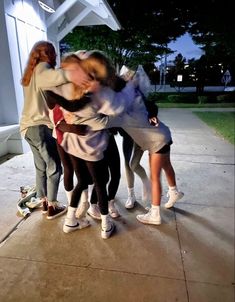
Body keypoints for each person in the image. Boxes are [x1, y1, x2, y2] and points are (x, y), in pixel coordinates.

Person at [47, 51, 184, 226]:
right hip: (155, 137)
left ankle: (152, 211)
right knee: (162, 166)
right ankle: (173, 192)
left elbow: (106, 118)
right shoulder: (127, 95)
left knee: (144, 175)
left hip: (151, 140)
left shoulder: (121, 103)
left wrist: (81, 120)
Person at [45, 52, 135, 238]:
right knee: (101, 184)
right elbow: (117, 110)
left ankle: (70, 221)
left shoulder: (69, 89)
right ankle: (106, 226)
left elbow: (52, 97)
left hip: (72, 146)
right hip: (91, 147)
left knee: (82, 181)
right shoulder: (98, 95)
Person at [20, 40, 90, 220]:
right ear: (46, 54)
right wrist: (73, 73)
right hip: (40, 127)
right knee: (54, 167)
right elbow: (53, 77)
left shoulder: (31, 72)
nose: (56, 56)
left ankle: (44, 202)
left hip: (27, 127)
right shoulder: (42, 68)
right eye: (53, 53)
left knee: (41, 168)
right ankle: (52, 205)